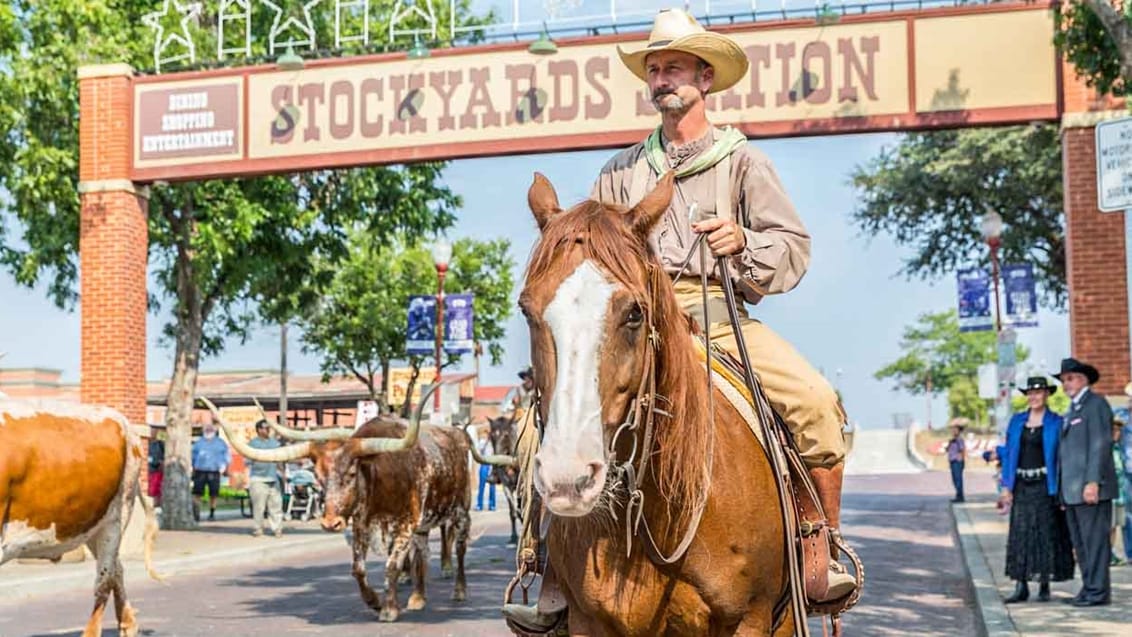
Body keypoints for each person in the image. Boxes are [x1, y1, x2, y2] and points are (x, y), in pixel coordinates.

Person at [505, 8, 854, 631]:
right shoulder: (618, 170)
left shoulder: (742, 161)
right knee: (543, 423)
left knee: (817, 402)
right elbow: (592, 262)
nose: (663, 79)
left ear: (706, 78)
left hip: (719, 314)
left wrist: (741, 240)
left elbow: (793, 247)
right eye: (655, 69)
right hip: (632, 323)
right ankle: (549, 565)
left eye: (675, 68)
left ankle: (818, 542)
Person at [999, 377, 1074, 603]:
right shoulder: (1017, 421)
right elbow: (1009, 454)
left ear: (1047, 395)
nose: (1034, 397)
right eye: (1030, 393)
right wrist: (1006, 486)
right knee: (1021, 534)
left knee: (1045, 533)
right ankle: (1021, 585)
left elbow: (1062, 457)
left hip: (1044, 484)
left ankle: (1044, 584)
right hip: (1021, 483)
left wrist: (1062, 489)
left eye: (1038, 393)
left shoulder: (1056, 422)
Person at [1055, 357, 1118, 607]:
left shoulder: (1096, 405)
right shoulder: (1072, 409)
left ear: (1083, 380)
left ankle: (1098, 592)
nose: (1066, 384)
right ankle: (1089, 586)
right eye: (1063, 380)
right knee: (1081, 545)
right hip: (1071, 491)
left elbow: (1099, 446)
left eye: (1070, 379)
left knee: (1095, 543)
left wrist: (1093, 482)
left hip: (1090, 489)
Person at [247, 419, 285, 537]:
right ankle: (258, 529)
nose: (267, 430)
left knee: (276, 505)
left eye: (268, 428)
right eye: (264, 428)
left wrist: (282, 473)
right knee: (259, 507)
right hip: (258, 479)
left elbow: (279, 458)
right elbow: (247, 462)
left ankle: (277, 529)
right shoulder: (252, 444)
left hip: (273, 478)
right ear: (258, 430)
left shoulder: (274, 443)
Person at [191, 422, 231, 522]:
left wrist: (225, 468)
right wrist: (192, 468)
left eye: (210, 430)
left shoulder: (220, 443)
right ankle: (196, 513)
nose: (208, 431)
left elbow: (227, 456)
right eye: (206, 429)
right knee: (197, 493)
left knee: (213, 494)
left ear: (214, 431)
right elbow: (192, 456)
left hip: (214, 471)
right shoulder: (198, 443)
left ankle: (212, 513)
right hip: (200, 471)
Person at [1111, 418, 1127, 565]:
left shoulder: (1118, 449)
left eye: (1118, 430)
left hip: (1120, 494)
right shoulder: (1105, 449)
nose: (1117, 433)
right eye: (1114, 430)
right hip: (1108, 494)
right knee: (1107, 526)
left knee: (1115, 525)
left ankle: (1111, 553)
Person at [475, 427, 497, 512]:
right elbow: (481, 450)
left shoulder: (493, 443)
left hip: (491, 465)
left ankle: (492, 505)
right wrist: (486, 441)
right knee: (482, 486)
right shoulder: (482, 442)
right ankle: (479, 505)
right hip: (484, 464)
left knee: (492, 486)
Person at [946, 420, 967, 503]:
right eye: (953, 429)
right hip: (952, 461)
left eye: (955, 429)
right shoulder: (952, 440)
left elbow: (963, 450)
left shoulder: (959, 440)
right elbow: (948, 450)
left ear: (959, 431)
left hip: (957, 461)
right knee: (954, 479)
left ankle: (960, 497)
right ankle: (958, 495)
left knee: (958, 480)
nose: (953, 431)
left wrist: (961, 460)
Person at [146, 425, 166, 507]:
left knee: (156, 491)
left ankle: (157, 505)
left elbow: (165, 455)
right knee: (149, 490)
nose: (152, 433)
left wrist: (162, 463)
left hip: (157, 470)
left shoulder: (160, 443)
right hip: (148, 470)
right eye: (151, 431)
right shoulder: (146, 443)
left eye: (154, 431)